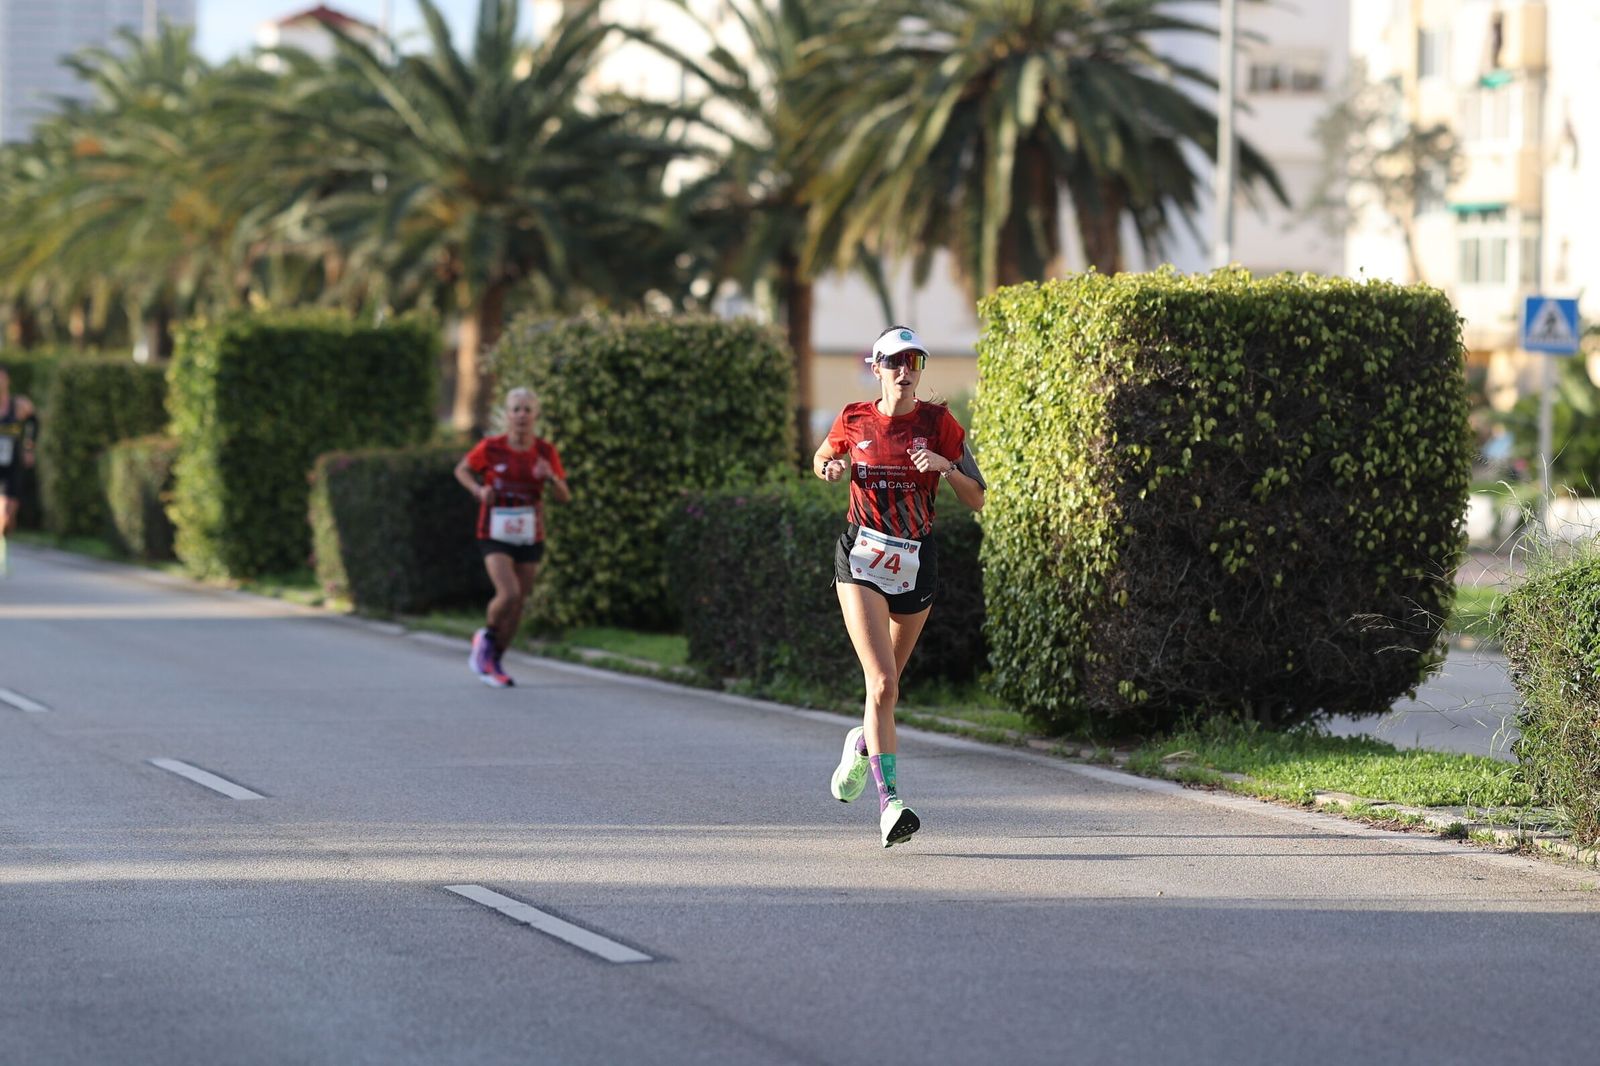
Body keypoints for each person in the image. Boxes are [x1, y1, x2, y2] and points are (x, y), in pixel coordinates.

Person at [813, 325, 986, 847]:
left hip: (915, 560)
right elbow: (823, 457)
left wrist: (945, 467)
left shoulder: (939, 424)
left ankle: (860, 745)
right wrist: (830, 466)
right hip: (862, 558)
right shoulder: (853, 418)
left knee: (884, 689)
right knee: (883, 684)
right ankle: (891, 805)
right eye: (894, 362)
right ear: (877, 368)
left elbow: (977, 497)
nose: (905, 371)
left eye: (914, 362)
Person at [453, 387, 570, 688]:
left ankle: (495, 660)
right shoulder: (491, 448)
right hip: (494, 532)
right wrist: (479, 490)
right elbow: (462, 470)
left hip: (530, 535)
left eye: (527, 410)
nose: (521, 415)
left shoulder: (545, 452)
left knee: (518, 605)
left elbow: (564, 496)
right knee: (509, 594)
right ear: (506, 415)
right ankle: (486, 637)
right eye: (516, 409)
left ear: (536, 415)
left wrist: (550, 477)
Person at [0, 364, 38, 576]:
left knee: (9, 516)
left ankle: (4, 540)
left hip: (12, 466)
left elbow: (33, 422)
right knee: (2, 511)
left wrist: (29, 447)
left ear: (8, 381)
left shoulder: (18, 405)